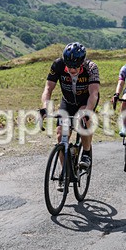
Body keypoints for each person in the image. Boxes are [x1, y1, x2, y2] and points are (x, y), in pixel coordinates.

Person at [40, 42, 100, 171]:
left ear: (82, 62)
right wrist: (45, 107)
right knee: (61, 135)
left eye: (76, 67)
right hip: (67, 101)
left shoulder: (91, 67)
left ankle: (86, 153)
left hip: (86, 101)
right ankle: (65, 171)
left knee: (83, 121)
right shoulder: (58, 65)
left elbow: (94, 93)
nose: (72, 70)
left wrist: (88, 111)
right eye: (69, 66)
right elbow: (48, 89)